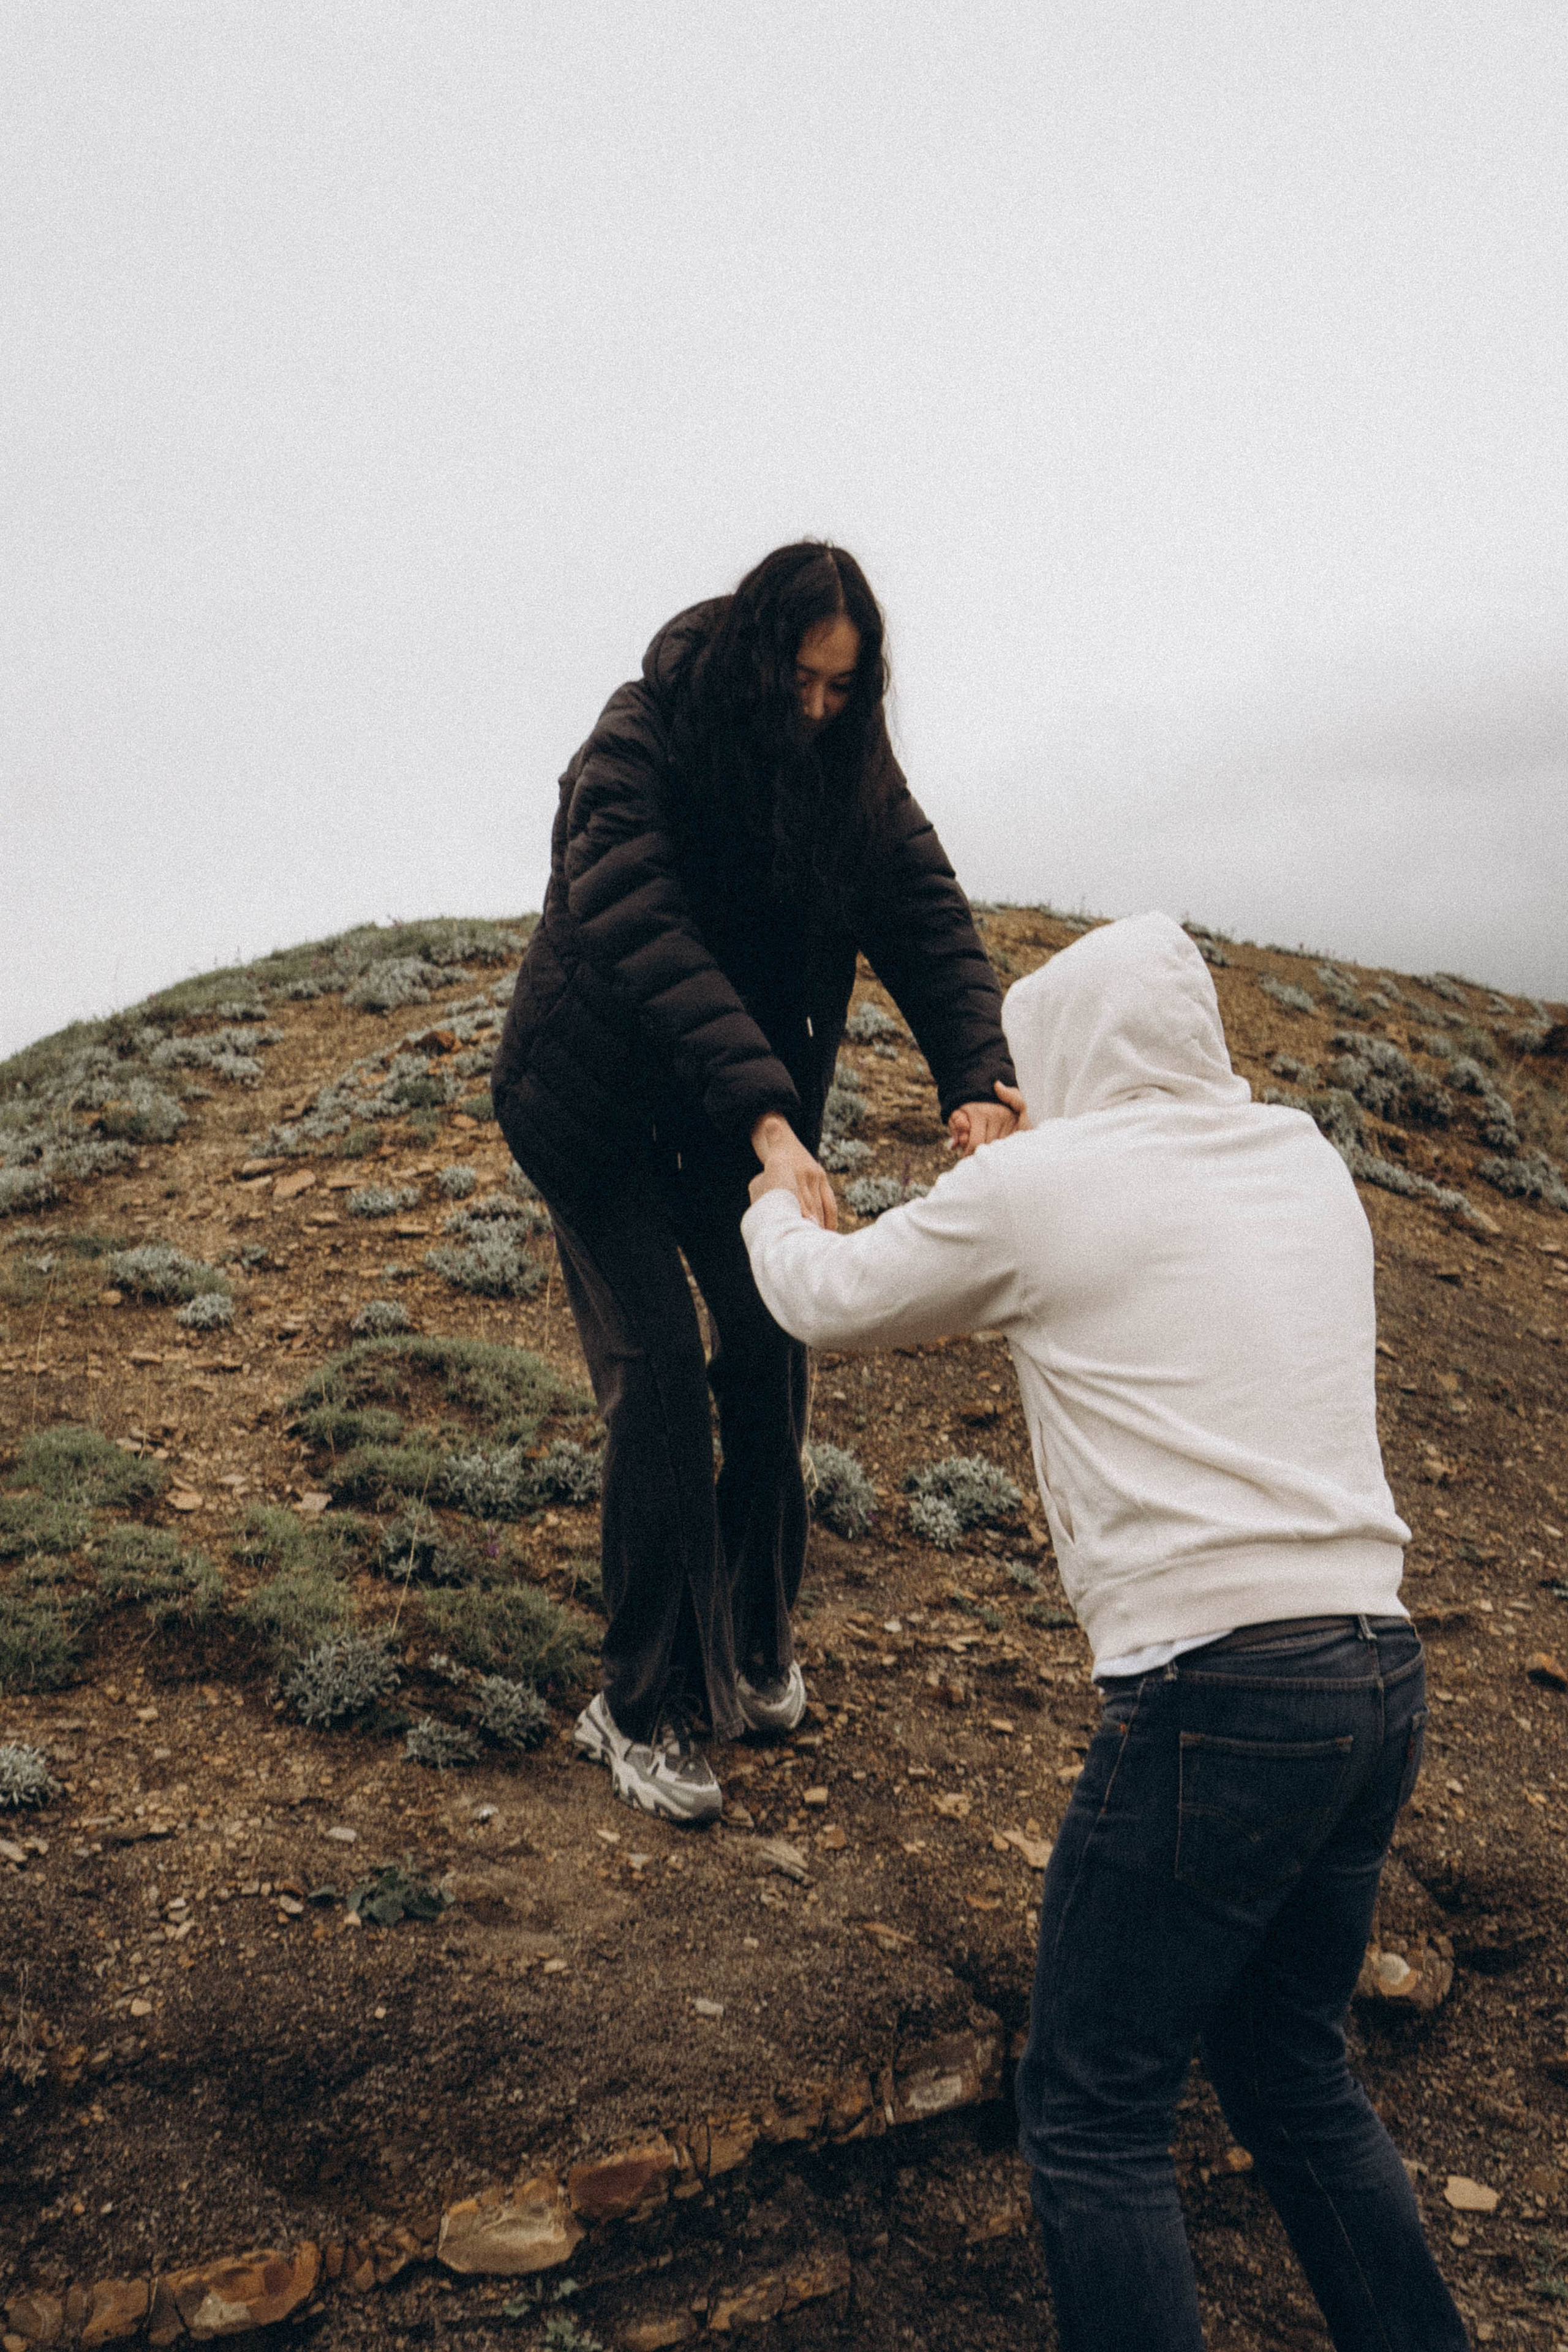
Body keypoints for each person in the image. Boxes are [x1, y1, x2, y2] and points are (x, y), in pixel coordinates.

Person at [741, 910, 1466, 2352]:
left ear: (1057, 1057)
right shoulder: (1301, 1157)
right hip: (1373, 1671)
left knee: (1089, 2111)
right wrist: (1032, 1156)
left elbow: (823, 1304)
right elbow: (1145, 1223)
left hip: (1215, 1693)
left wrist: (774, 1193)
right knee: (1291, 2075)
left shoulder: (1045, 1190)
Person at [491, 541, 1019, 1825]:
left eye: (845, 688)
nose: (821, 710)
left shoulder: (853, 772)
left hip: (727, 1124)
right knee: (661, 1379)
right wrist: (771, 1121)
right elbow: (641, 927)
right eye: (802, 682)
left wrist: (979, 1075)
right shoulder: (643, 736)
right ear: (751, 655)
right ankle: (640, 1702)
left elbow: (926, 917)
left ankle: (755, 1644)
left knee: (774, 1348)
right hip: (598, 1111)